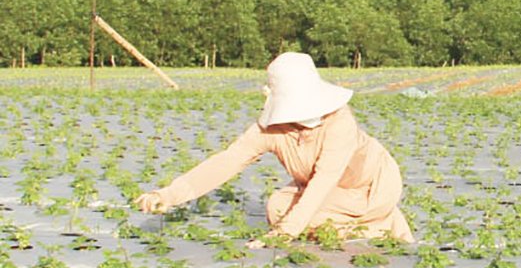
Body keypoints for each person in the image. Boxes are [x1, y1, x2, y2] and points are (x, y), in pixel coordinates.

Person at [134, 52, 413, 246]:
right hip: (333, 196)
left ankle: (380, 221)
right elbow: (227, 161)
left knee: (295, 216)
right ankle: (364, 225)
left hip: (372, 186)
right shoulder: (271, 129)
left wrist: (284, 234)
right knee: (278, 206)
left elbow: (324, 180)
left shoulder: (340, 121)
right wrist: (168, 195)